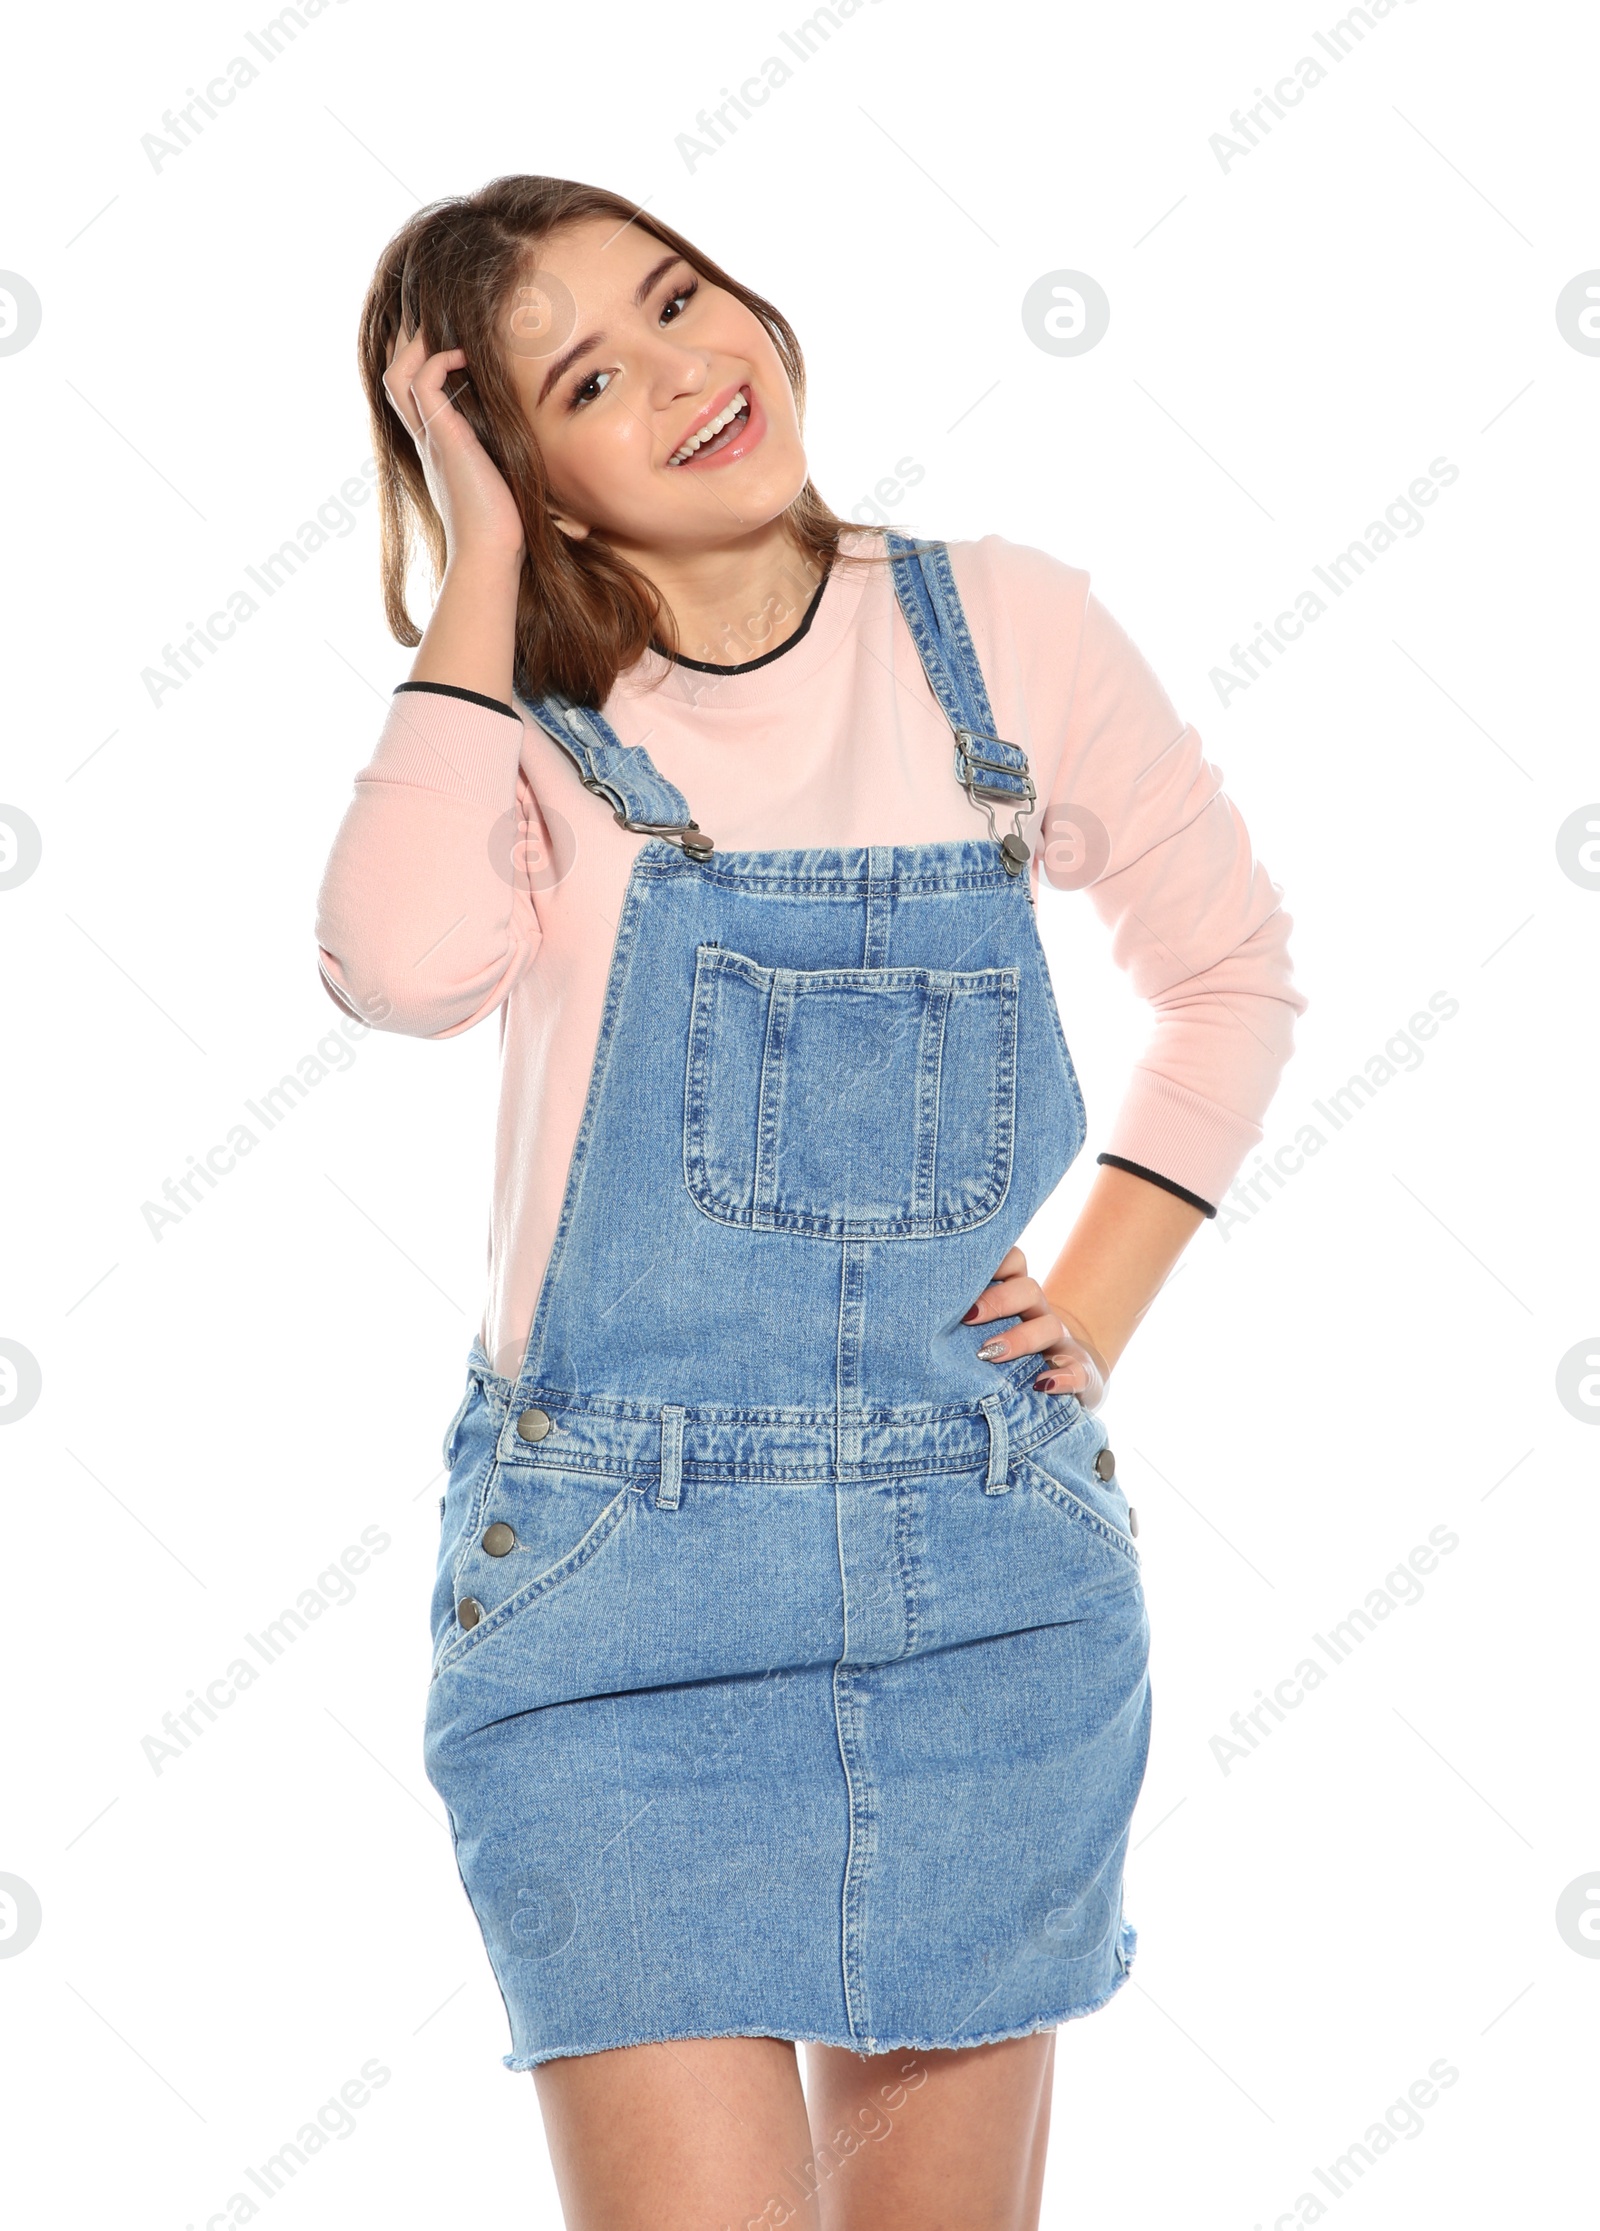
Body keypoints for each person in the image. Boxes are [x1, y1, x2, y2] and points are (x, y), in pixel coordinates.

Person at [314, 173, 1306, 2231]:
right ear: (523, 475)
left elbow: (1226, 974)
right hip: (614, 1604)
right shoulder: (529, 731)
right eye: (589, 376)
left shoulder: (996, 629)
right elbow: (394, 969)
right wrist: (475, 580)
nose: (687, 371)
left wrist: (1098, 1296)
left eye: (678, 300)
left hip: (981, 1591)